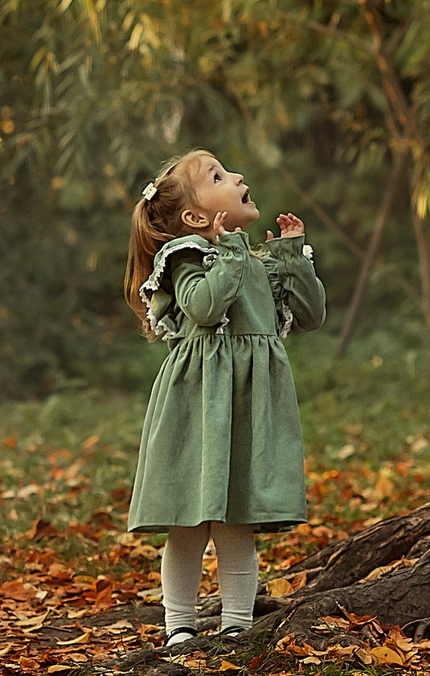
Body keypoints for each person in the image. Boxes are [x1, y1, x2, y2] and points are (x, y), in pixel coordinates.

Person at [123, 149, 326, 648]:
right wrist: (231, 250)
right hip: (197, 403)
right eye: (217, 175)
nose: (236, 175)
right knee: (187, 521)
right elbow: (205, 308)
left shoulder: (255, 261)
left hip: (247, 404)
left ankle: (237, 624)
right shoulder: (187, 257)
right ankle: (179, 628)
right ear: (196, 217)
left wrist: (292, 256)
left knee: (238, 516)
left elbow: (311, 315)